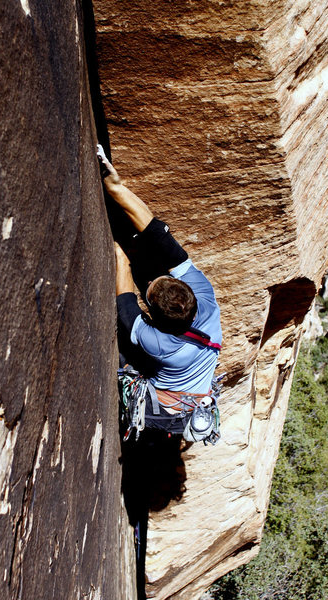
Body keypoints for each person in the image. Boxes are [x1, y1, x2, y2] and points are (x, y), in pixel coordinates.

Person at [97, 145, 222, 439]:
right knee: (149, 255)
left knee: (118, 349)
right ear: (186, 289)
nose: (151, 284)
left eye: (149, 293)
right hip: (193, 375)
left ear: (153, 316)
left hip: (166, 400)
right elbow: (157, 233)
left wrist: (117, 251)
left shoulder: (161, 345)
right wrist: (117, 188)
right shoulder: (205, 297)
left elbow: (126, 305)